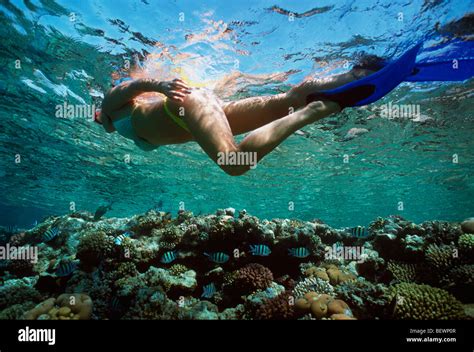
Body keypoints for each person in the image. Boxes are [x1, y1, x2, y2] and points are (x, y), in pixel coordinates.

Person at [94, 58, 383, 176]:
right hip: (198, 112)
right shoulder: (115, 124)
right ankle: (359, 74)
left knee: (233, 162)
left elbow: (126, 87)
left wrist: (158, 85)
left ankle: (313, 113)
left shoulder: (111, 106)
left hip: (186, 104)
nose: (95, 116)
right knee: (287, 101)